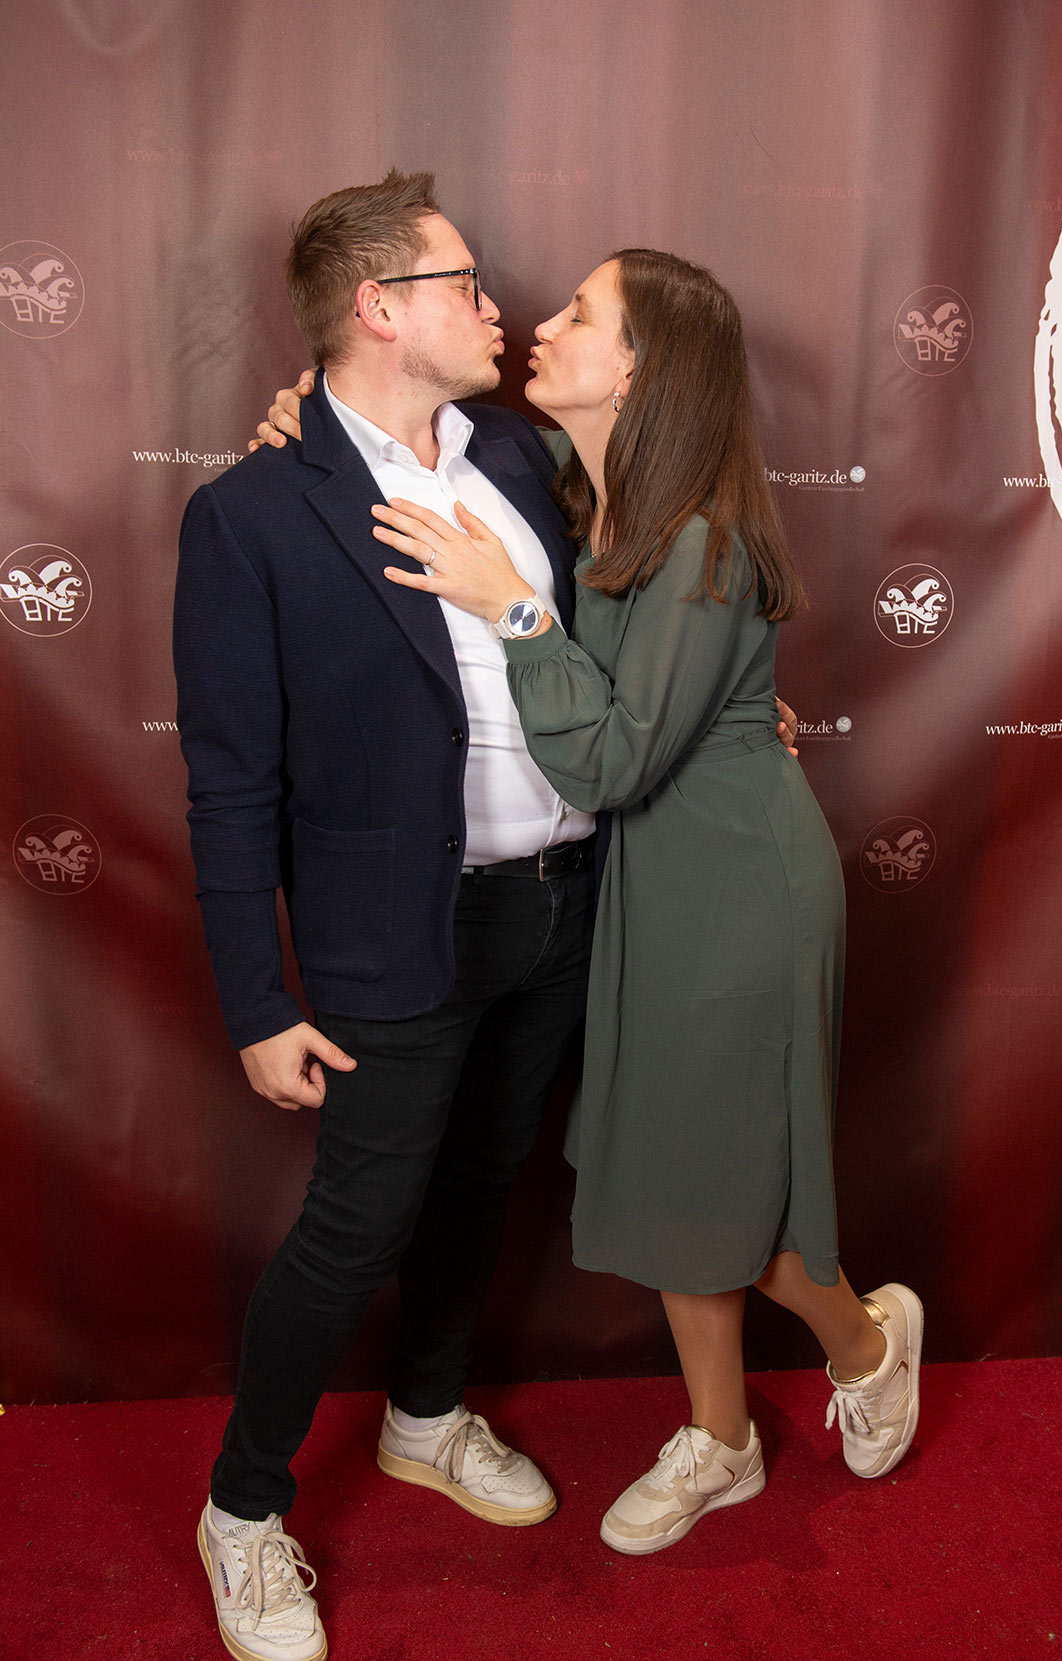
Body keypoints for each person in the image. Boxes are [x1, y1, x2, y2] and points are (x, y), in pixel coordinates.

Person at [362, 248, 924, 1555]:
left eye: (579, 315)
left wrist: (514, 613)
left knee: (732, 1187)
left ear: (640, 371)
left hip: (739, 892)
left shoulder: (703, 546)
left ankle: (868, 1343)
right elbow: (384, 420)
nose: (542, 325)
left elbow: (613, 758)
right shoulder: (586, 500)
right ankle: (723, 1441)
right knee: (679, 1170)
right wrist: (301, 408)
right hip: (655, 885)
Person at [174, 169, 600, 1661]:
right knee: (358, 1224)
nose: (497, 304)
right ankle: (242, 1509)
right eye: (464, 282)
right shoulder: (252, 514)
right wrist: (256, 1000)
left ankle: (426, 1416)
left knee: (486, 1184)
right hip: (392, 932)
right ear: (377, 308)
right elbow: (231, 786)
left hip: (561, 908)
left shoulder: (524, 458)